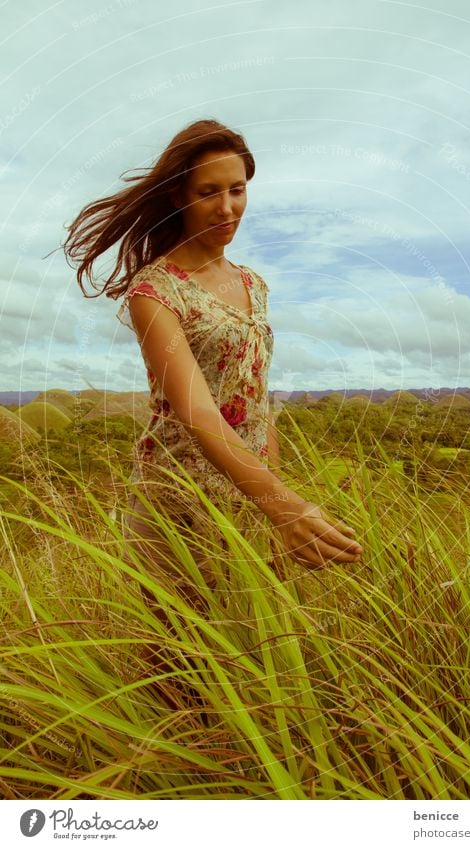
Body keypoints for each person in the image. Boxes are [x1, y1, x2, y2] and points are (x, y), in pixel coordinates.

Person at [62, 118, 363, 700]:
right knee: (175, 665)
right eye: (209, 192)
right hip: (177, 496)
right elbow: (199, 414)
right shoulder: (156, 292)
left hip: (248, 490)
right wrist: (282, 506)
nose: (227, 208)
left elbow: (256, 400)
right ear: (178, 194)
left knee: (251, 652)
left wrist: (274, 491)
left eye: (238, 189)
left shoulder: (254, 284)